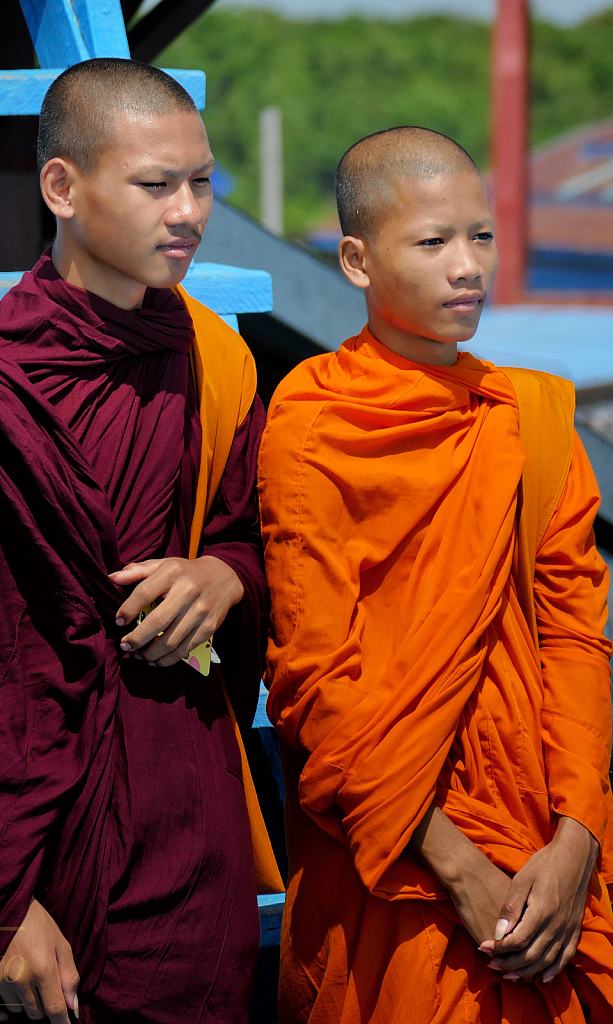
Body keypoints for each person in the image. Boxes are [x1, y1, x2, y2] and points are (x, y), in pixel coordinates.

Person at [0, 58, 279, 1024]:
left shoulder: (217, 361)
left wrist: (222, 578)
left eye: (203, 181)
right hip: (16, 847)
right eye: (156, 184)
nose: (188, 211)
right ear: (62, 187)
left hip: (186, 821)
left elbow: (256, 538)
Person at [257, 126, 613, 1023]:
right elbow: (314, 682)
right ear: (355, 260)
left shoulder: (527, 419)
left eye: (481, 237)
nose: (468, 268)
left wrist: (577, 840)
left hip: (542, 840)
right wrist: (457, 868)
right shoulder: (314, 423)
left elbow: (575, 635)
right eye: (432, 243)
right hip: (396, 854)